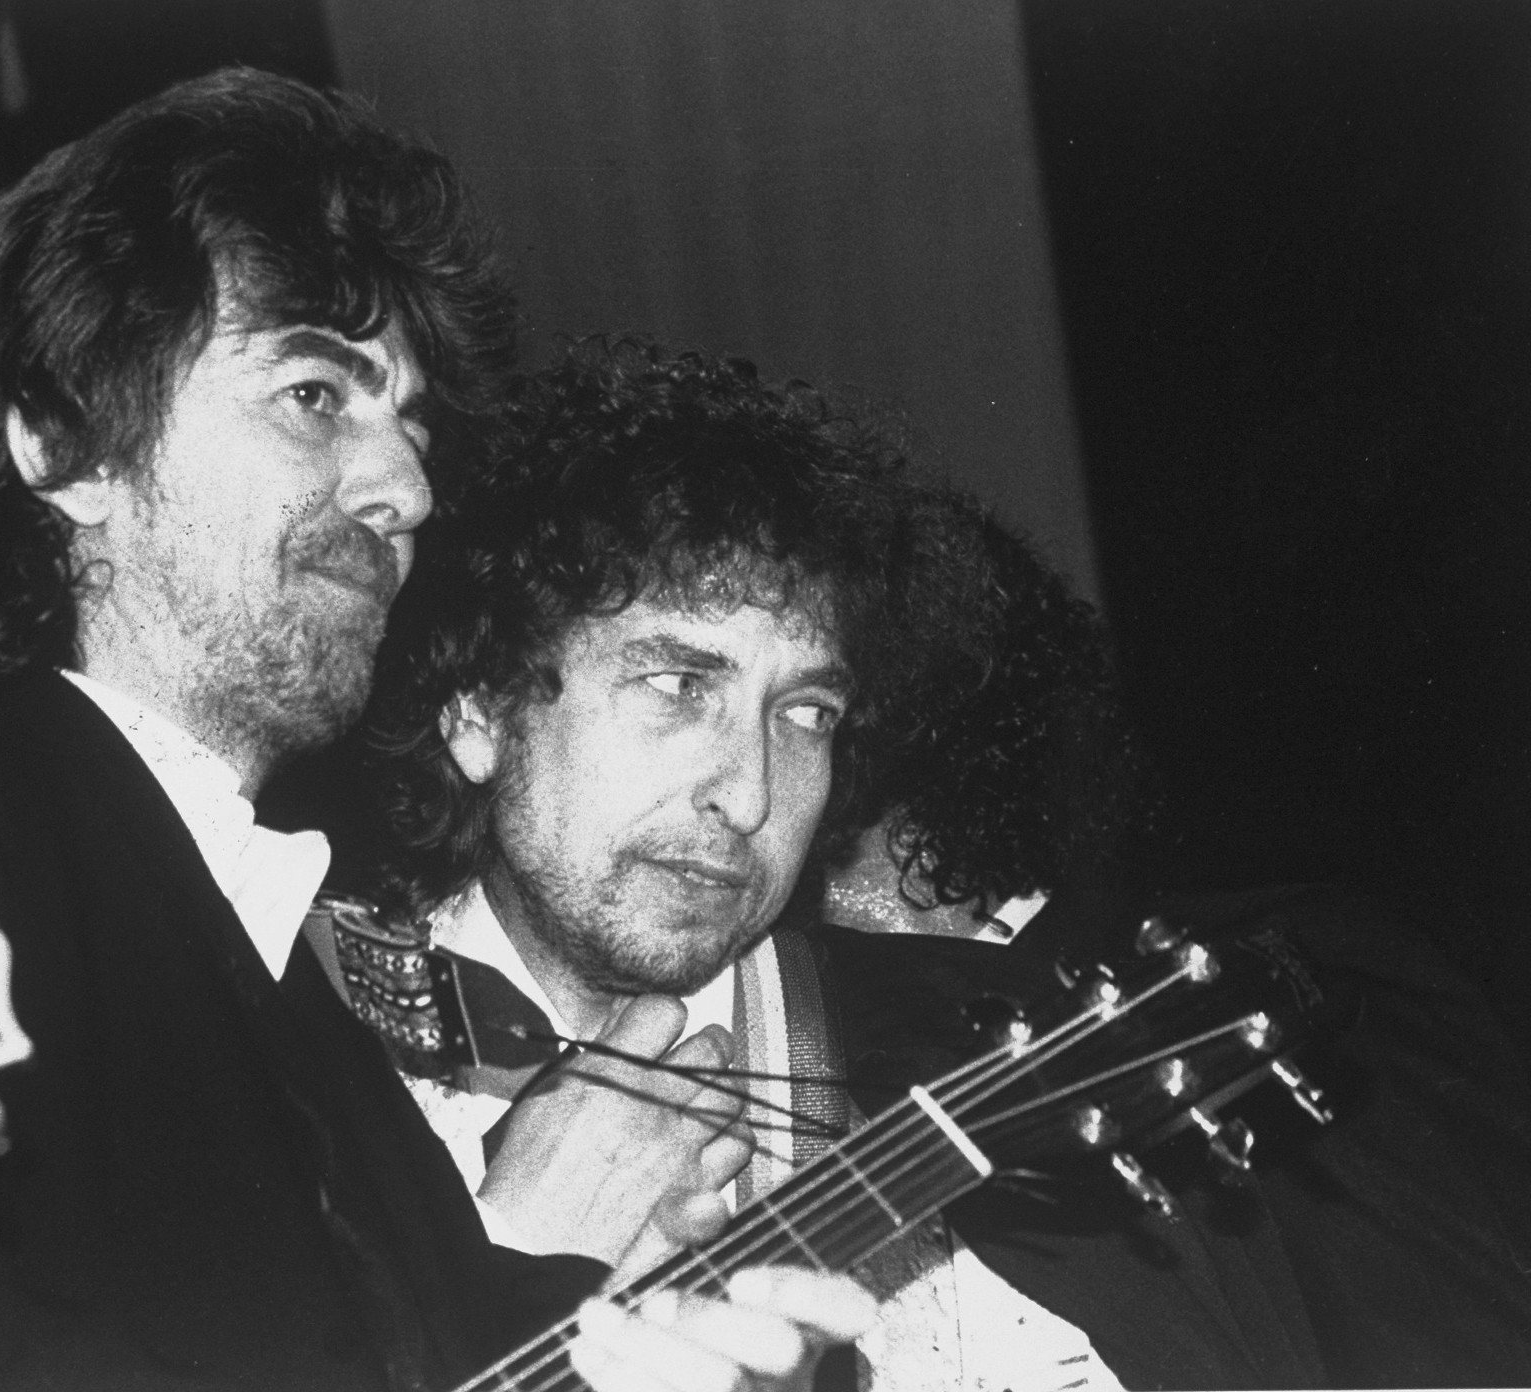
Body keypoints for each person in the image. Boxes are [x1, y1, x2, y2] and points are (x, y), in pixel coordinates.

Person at [0, 72, 871, 1392]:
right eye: (315, 395)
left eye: (413, 427)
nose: (403, 485)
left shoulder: (304, 998)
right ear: (62, 441)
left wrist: (564, 1309)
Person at [357, 342, 1531, 1389]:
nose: (751, 792)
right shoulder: (292, 1074)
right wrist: (506, 1258)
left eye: (804, 714)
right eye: (678, 686)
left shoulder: (986, 1069)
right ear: (479, 708)